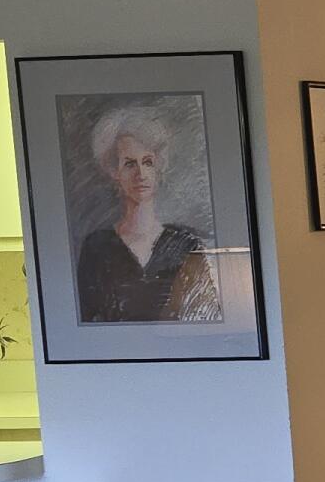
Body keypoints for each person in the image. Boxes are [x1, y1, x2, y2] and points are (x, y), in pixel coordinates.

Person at [73, 104, 221, 323]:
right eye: (130, 164)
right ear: (115, 172)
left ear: (158, 168)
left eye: (148, 162)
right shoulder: (96, 248)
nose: (141, 174)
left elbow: (205, 319)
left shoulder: (187, 245)